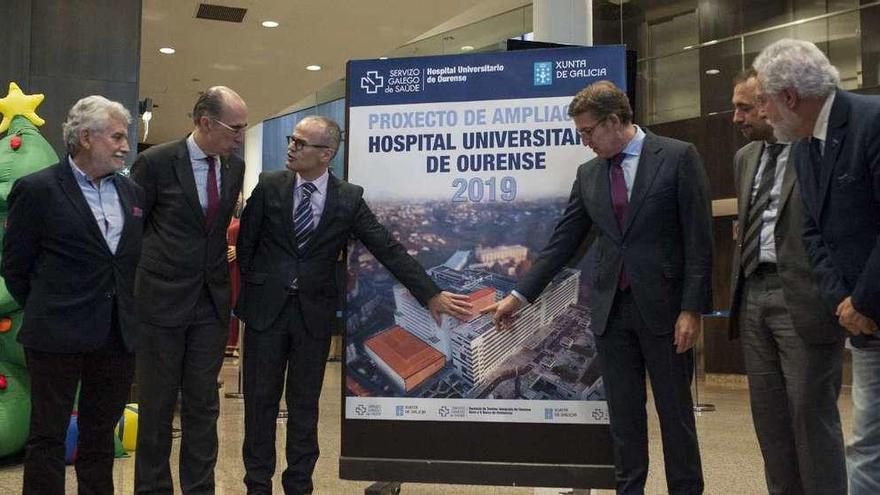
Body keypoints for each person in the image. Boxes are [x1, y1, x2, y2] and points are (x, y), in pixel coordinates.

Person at [483, 81, 713, 494]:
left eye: (588, 131)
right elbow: (562, 244)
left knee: (676, 417)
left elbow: (699, 239)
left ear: (613, 121)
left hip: (666, 311)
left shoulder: (678, 157)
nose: (583, 141)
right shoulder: (589, 174)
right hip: (611, 314)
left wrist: (691, 308)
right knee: (624, 421)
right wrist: (518, 297)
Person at [235, 115, 473, 494]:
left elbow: (386, 247)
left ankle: (299, 485)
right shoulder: (269, 185)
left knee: (304, 408)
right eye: (292, 140)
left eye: (301, 143)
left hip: (312, 317)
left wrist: (430, 293)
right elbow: (246, 245)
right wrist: (258, 289)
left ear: (326, 154)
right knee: (259, 405)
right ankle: (256, 485)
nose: (291, 147)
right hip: (266, 313)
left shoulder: (348, 198)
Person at [753, 38, 880, 494]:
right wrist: (844, 302)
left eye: (764, 100)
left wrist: (863, 299)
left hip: (871, 306)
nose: (762, 112)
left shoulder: (873, 121)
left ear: (789, 96)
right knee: (868, 446)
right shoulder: (806, 145)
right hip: (862, 322)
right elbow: (814, 234)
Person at [2, 95, 143, 493]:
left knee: (99, 437)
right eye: (116, 136)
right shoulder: (38, 190)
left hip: (116, 338)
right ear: (85, 137)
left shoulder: (132, 194)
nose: (124, 146)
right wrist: (50, 309)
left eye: (125, 136)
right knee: (47, 437)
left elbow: (126, 263)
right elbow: (16, 267)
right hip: (55, 337)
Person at [728, 68, 846, 493]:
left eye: (744, 107)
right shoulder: (745, 158)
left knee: (811, 419)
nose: (736, 117)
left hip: (806, 300)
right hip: (754, 297)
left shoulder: (820, 151)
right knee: (770, 422)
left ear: (772, 103)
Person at [132, 86, 247, 494]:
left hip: (210, 305)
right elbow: (135, 232)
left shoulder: (234, 167)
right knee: (157, 407)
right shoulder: (155, 163)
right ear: (204, 123)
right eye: (235, 127)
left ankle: (200, 489)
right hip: (160, 302)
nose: (240, 135)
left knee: (203, 407)